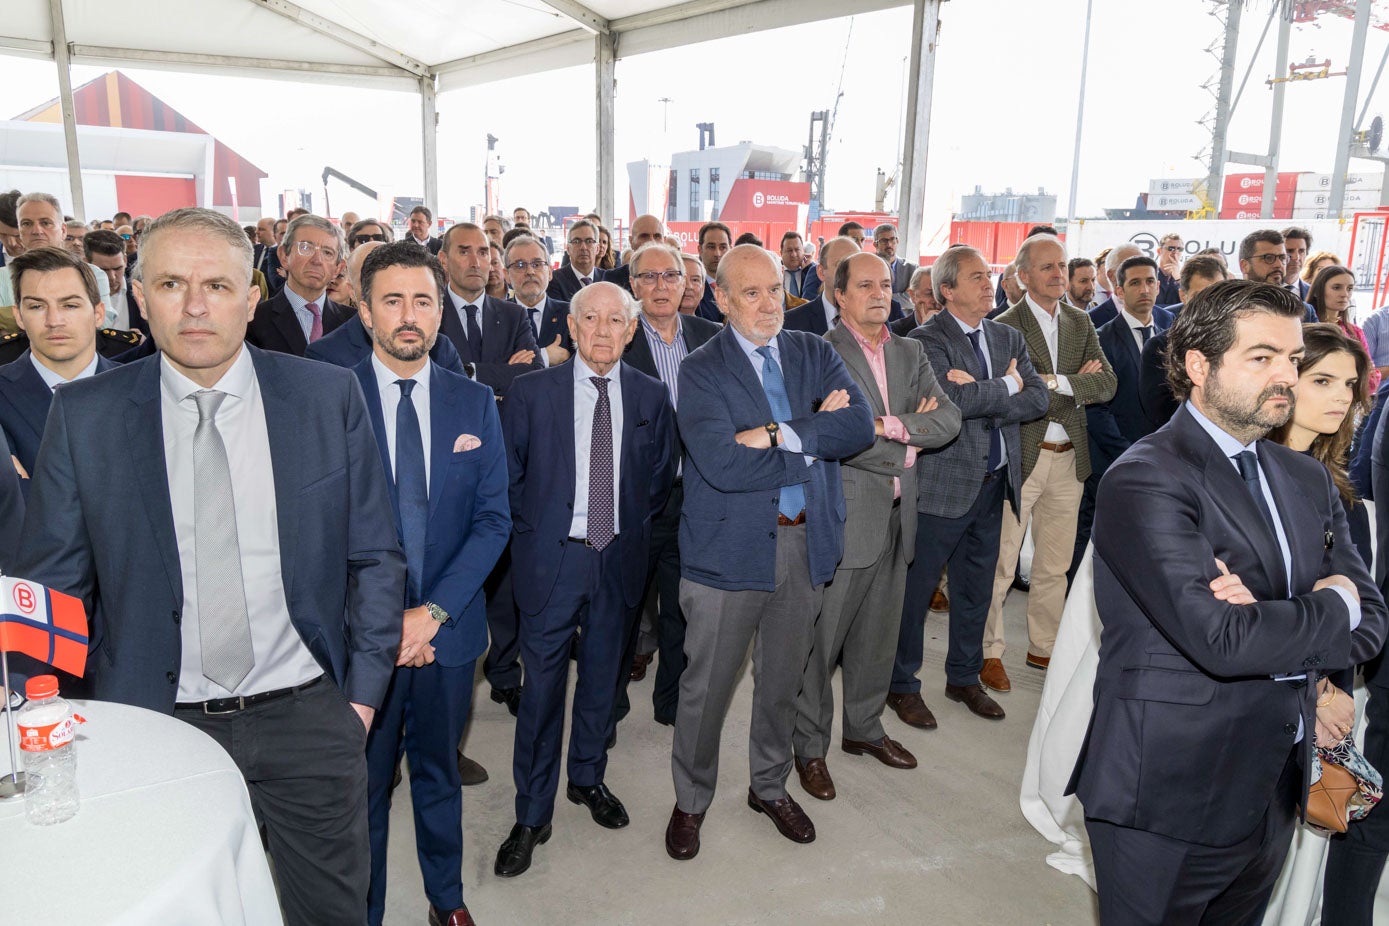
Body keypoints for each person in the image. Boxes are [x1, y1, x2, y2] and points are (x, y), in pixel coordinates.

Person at [13, 207, 407, 926]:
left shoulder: (325, 397)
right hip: (152, 721)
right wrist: (31, 720)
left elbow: (375, 554)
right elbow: (52, 587)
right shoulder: (85, 415)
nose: (195, 306)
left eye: (217, 286)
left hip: (310, 715)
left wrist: (361, 700)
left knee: (334, 912)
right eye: (170, 283)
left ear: (251, 298)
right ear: (137, 295)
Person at [1067, 279, 1386, 924]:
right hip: (1164, 796)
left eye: (1293, 360)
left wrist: (1271, 609)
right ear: (1198, 366)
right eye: (1262, 357)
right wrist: (1328, 604)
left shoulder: (1304, 477)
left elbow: (1372, 618)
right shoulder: (1146, 476)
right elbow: (1223, 640)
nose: (1285, 377)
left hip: (1271, 788)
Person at [664, 245, 874, 861]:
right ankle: (691, 801)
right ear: (721, 300)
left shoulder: (814, 352)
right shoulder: (701, 369)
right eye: (749, 293)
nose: (766, 305)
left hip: (806, 539)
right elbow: (724, 464)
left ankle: (768, 786)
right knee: (706, 689)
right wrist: (814, 436)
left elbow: (858, 427)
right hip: (727, 550)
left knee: (783, 680)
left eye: (775, 292)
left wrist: (780, 432)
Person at [496, 281, 677, 877]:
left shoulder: (651, 396)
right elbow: (511, 479)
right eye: (590, 319)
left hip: (619, 559)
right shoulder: (531, 393)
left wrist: (622, 538)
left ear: (632, 331)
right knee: (542, 691)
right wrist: (538, 537)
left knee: (603, 680)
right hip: (552, 562)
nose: (603, 331)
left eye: (616, 321)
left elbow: (655, 484)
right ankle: (531, 812)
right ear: (570, 328)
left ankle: (587, 779)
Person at [352, 243, 509, 926]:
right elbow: (320, 533)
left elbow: (493, 520)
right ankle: (362, 908)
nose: (408, 315)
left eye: (421, 300)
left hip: (447, 633)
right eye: (391, 300)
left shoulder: (474, 402)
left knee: (440, 773)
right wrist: (388, 622)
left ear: (440, 311)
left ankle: (446, 900)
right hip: (364, 639)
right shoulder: (331, 397)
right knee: (362, 786)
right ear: (364, 311)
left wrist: (432, 614)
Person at [792, 252, 960, 801]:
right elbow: (834, 433)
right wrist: (907, 444)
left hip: (898, 516)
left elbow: (948, 419)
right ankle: (809, 748)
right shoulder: (818, 351)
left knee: (878, 638)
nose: (879, 293)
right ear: (840, 295)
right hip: (844, 517)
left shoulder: (910, 351)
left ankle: (863, 730)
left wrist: (890, 425)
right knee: (823, 643)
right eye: (864, 284)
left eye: (885, 284)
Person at [892, 245, 1049, 720]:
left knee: (976, 590)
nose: (989, 284)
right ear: (947, 290)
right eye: (977, 277)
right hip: (943, 485)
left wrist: (996, 391)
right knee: (917, 593)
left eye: (990, 275)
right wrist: (1008, 387)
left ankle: (963, 677)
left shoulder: (1007, 336)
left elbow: (1038, 398)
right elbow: (951, 403)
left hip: (995, 482)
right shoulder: (926, 339)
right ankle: (901, 684)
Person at [986, 235, 1115, 676]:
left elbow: (1107, 385)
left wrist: (1052, 382)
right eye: (1047, 267)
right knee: (1001, 562)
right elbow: (1018, 399)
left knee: (1055, 565)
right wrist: (1073, 385)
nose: (1058, 274)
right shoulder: (1004, 325)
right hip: (1022, 458)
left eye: (1061, 265)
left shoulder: (1081, 323)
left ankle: (1044, 646)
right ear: (1022, 276)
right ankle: (990, 650)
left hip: (1069, 459)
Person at [618, 242, 721, 726]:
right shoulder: (615, 336)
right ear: (633, 286)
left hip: (696, 498)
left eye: (670, 276)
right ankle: (608, 705)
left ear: (687, 283)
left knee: (684, 609)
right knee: (621, 609)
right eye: (648, 277)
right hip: (633, 500)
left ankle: (672, 703)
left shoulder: (712, 336)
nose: (660, 286)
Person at [0, 247, 116, 476]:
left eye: (70, 305)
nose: (54, 321)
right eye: (36, 306)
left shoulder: (141, 388)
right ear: (19, 316)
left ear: (98, 314)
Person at [436, 222, 541, 397]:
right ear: (443, 260)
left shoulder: (513, 315)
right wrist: (505, 371)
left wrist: (469, 370)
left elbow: (533, 372)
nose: (475, 263)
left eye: (483, 253)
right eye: (464, 252)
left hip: (503, 422)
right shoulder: (428, 314)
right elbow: (432, 375)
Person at [1138, 255, 1229, 430]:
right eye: (1199, 296)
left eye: (1216, 294)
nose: (1208, 304)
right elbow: (1159, 411)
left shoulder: (1241, 342)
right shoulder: (1159, 348)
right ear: (1183, 296)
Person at [246, 214, 354, 356]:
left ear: (338, 268)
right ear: (284, 256)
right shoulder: (254, 321)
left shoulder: (354, 323)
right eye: (305, 248)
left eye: (327, 252)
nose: (317, 260)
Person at [1309, 264, 1380, 393]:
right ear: (1317, 291)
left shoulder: (1354, 332)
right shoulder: (1305, 326)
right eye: (1337, 288)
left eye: (1350, 288)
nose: (1344, 294)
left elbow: (1372, 380)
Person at [507, 234, 573, 368]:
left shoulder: (571, 314)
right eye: (520, 265)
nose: (530, 271)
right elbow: (495, 368)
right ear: (506, 275)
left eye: (537, 264)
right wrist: (544, 356)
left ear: (550, 272)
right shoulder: (494, 318)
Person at [1086, 243, 1141, 328]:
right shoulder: (1090, 321)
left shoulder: (1165, 318)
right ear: (1111, 275)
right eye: (1130, 267)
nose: (1140, 272)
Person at [548, 219, 604, 302]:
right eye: (576, 241)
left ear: (597, 248)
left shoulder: (606, 278)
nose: (583, 247)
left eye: (589, 241)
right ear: (568, 249)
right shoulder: (554, 280)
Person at [890, 265, 941, 336]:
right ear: (913, 295)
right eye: (930, 293)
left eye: (941, 295)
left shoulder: (955, 328)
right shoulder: (893, 332)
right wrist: (925, 331)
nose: (937, 301)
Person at [872, 223, 916, 295]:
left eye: (892, 239)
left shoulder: (911, 269)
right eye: (884, 241)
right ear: (875, 244)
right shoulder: (868, 267)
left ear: (897, 241)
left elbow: (912, 298)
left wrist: (882, 299)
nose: (889, 244)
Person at [780, 230, 820, 302]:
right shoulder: (775, 272)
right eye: (789, 250)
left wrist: (809, 269)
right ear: (781, 253)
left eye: (797, 250)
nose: (793, 254)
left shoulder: (814, 273)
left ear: (803, 252)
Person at [1281, 226, 1313, 300]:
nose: (1296, 257)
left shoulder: (1314, 294)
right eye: (1290, 251)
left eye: (1301, 251)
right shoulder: (1263, 291)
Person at [1155, 232, 1183, 306]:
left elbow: (1189, 301)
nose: (1175, 252)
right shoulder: (1150, 275)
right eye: (1171, 248)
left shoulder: (1184, 278)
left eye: (1179, 249)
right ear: (1159, 251)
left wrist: (1178, 279)